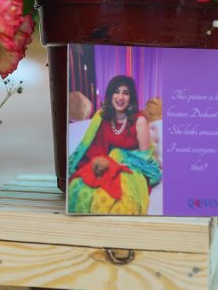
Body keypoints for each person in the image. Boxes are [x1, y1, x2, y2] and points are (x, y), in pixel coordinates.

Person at [67, 74, 161, 214]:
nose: (120, 97)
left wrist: (119, 157)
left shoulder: (139, 120)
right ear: (110, 95)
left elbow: (144, 157)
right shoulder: (102, 116)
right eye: (116, 92)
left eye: (125, 93)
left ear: (131, 97)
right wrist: (104, 162)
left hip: (130, 167)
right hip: (104, 162)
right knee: (79, 186)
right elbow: (94, 146)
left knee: (113, 198)